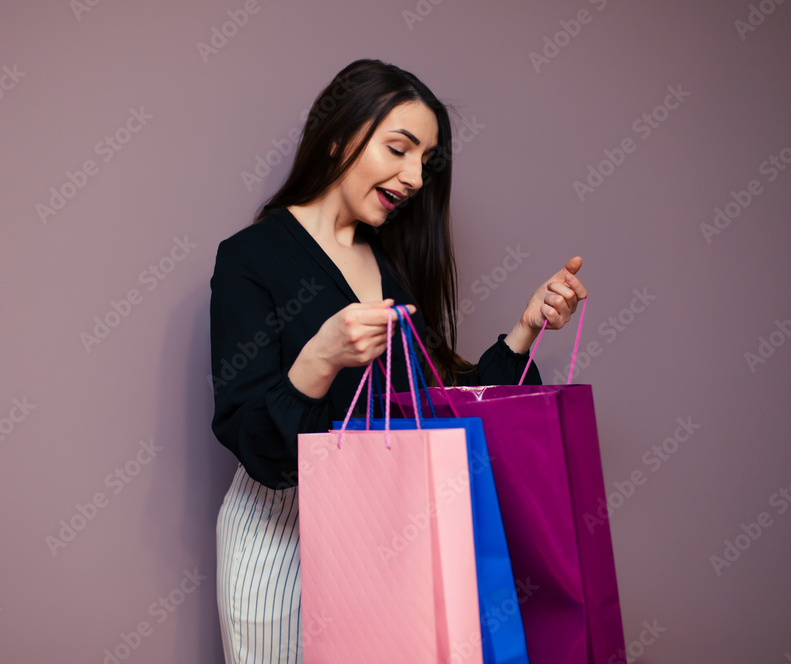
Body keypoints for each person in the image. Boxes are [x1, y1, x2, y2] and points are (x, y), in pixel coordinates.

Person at [209, 58, 587, 663]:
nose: (415, 177)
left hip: (383, 525)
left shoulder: (389, 265)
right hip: (280, 535)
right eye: (399, 149)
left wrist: (525, 330)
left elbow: (436, 405)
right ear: (338, 137)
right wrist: (320, 358)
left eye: (425, 161)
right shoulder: (250, 258)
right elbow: (254, 441)